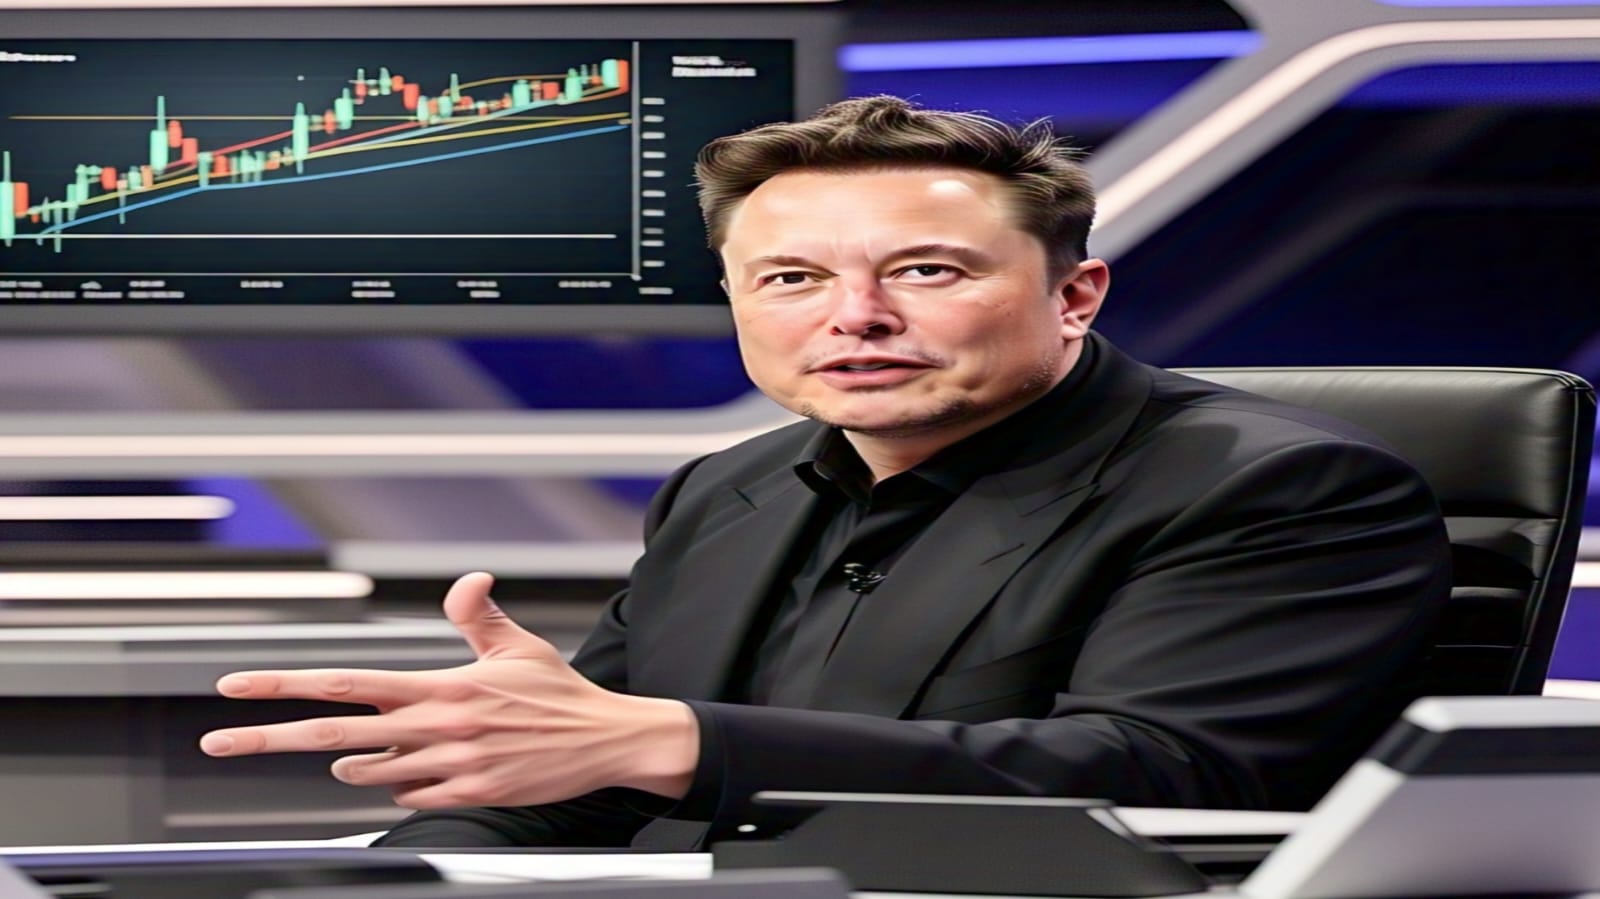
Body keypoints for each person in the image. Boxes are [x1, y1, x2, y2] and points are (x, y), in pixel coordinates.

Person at [199, 96, 1451, 848]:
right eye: (792, 278)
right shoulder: (724, 488)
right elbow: (584, 772)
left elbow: (1165, 777)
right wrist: (398, 867)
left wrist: (683, 741)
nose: (854, 316)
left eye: (926, 270)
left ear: (1074, 296)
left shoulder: (1283, 486)